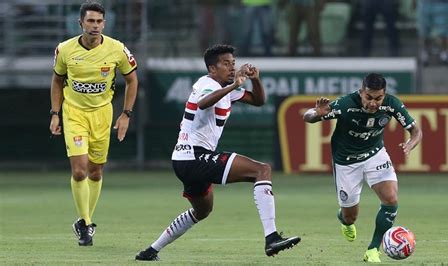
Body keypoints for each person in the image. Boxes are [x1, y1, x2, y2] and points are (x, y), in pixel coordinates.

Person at [135, 44, 300, 261]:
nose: (232, 68)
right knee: (262, 170)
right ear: (212, 69)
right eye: (225, 64)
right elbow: (203, 103)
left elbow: (259, 101)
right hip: (194, 156)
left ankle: (150, 251)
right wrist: (233, 86)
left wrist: (255, 80)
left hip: (185, 161)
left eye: (233, 63)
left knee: (202, 211)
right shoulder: (207, 84)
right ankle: (272, 238)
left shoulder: (226, 88)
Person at [303, 73, 422, 263]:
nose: (373, 103)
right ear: (361, 92)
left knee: (391, 199)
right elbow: (307, 117)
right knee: (350, 216)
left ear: (384, 95)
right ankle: (344, 219)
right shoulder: (345, 104)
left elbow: (416, 131)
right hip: (347, 162)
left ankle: (373, 249)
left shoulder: (392, 104)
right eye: (369, 98)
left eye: (378, 98)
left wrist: (411, 143)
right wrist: (316, 114)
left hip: (375, 154)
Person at [49, 1, 138, 246]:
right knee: (79, 170)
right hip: (74, 113)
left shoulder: (117, 49)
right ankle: (86, 224)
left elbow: (132, 80)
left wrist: (125, 115)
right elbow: (57, 82)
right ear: (80, 23)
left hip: (102, 114)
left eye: (99, 21)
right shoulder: (65, 50)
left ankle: (86, 221)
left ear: (104, 23)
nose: (95, 25)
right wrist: (55, 113)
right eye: (90, 21)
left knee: (96, 172)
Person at [414, 0, 448, 65]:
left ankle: (444, 55)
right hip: (425, 4)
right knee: (424, 33)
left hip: (442, 3)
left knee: (443, 33)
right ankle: (424, 56)